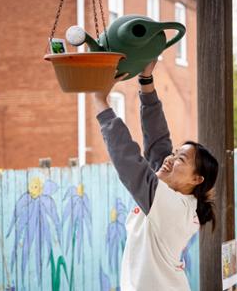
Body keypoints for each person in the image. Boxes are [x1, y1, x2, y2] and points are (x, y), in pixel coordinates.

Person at [93, 60, 219, 291]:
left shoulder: (173, 207)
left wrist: (101, 103)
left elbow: (129, 162)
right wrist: (146, 80)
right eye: (175, 154)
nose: (170, 159)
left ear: (196, 180)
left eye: (180, 159)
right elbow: (159, 142)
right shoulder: (176, 196)